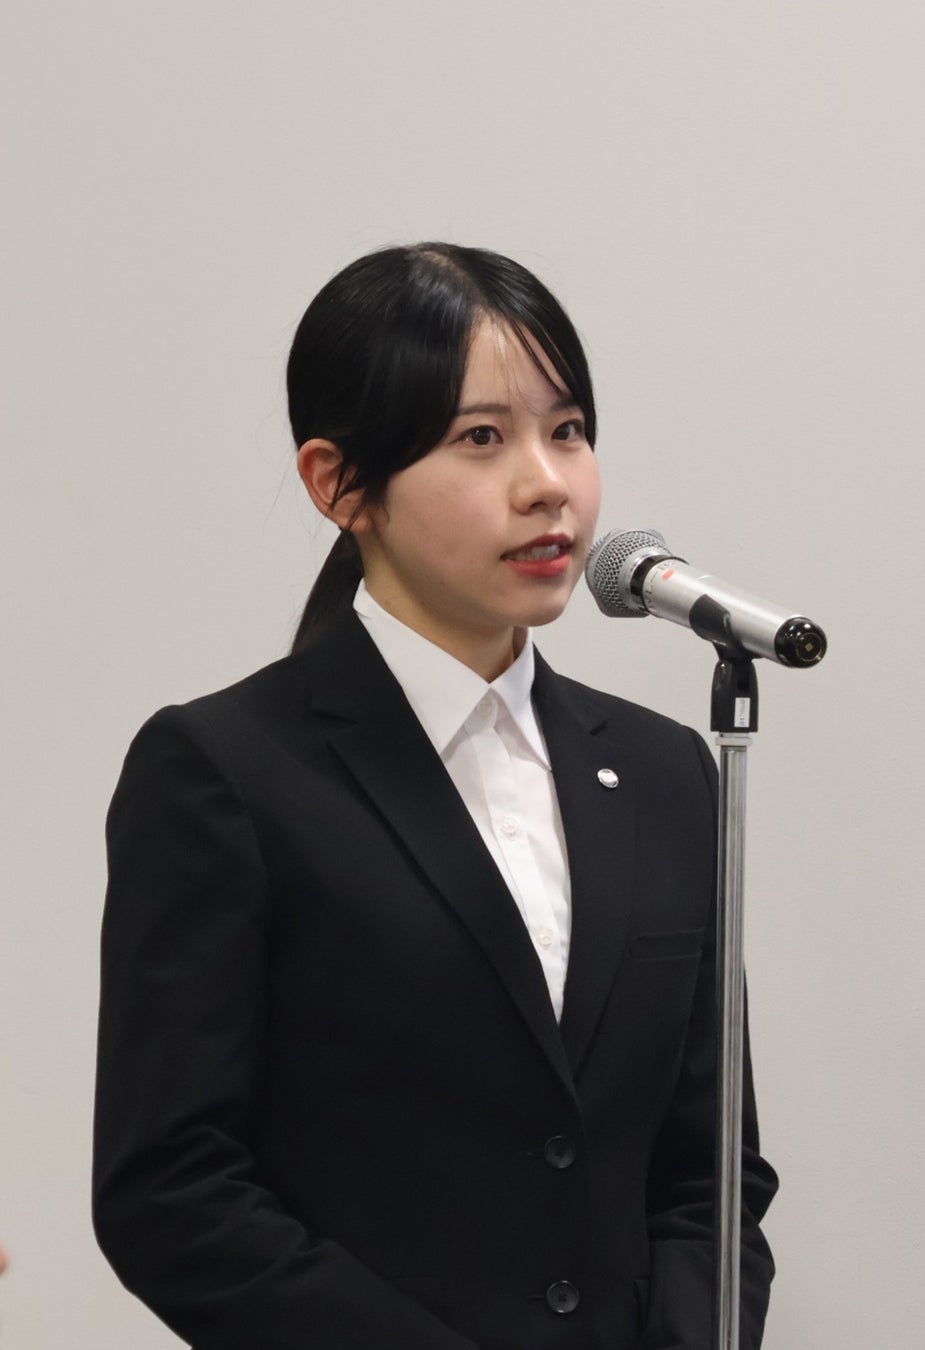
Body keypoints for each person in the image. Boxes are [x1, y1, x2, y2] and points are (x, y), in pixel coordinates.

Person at [93, 243, 777, 1350]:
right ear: (337, 484)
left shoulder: (663, 773)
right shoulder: (225, 771)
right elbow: (173, 1190)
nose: (546, 483)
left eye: (567, 430)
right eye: (480, 438)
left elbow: (710, 1169)